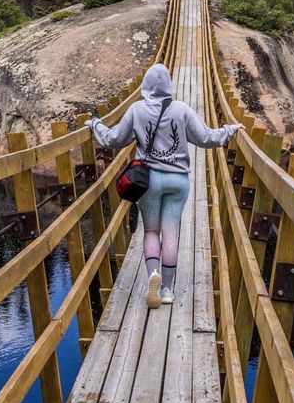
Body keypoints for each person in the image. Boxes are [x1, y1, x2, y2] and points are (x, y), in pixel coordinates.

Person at [85, 63, 240, 308]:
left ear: (145, 85)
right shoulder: (181, 109)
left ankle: (153, 275)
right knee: (171, 233)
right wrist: (230, 130)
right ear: (168, 85)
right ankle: (167, 289)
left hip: (148, 180)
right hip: (178, 181)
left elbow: (113, 139)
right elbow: (206, 138)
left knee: (151, 231)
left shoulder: (136, 110)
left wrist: (95, 125)